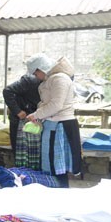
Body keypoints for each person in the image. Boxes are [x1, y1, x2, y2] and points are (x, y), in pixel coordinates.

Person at [25, 53, 82, 188]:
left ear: (41, 69)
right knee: (51, 164)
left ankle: (60, 192)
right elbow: (47, 103)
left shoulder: (60, 79)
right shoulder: (49, 80)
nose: (35, 76)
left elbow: (56, 105)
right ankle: (54, 190)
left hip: (61, 125)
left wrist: (36, 115)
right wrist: (38, 116)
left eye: (35, 73)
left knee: (57, 166)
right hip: (52, 124)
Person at [3, 73, 42, 169]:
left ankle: (35, 176)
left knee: (35, 153)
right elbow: (7, 91)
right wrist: (18, 111)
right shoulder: (29, 81)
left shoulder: (49, 83)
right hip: (19, 120)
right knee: (20, 152)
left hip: (34, 120)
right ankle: (22, 175)